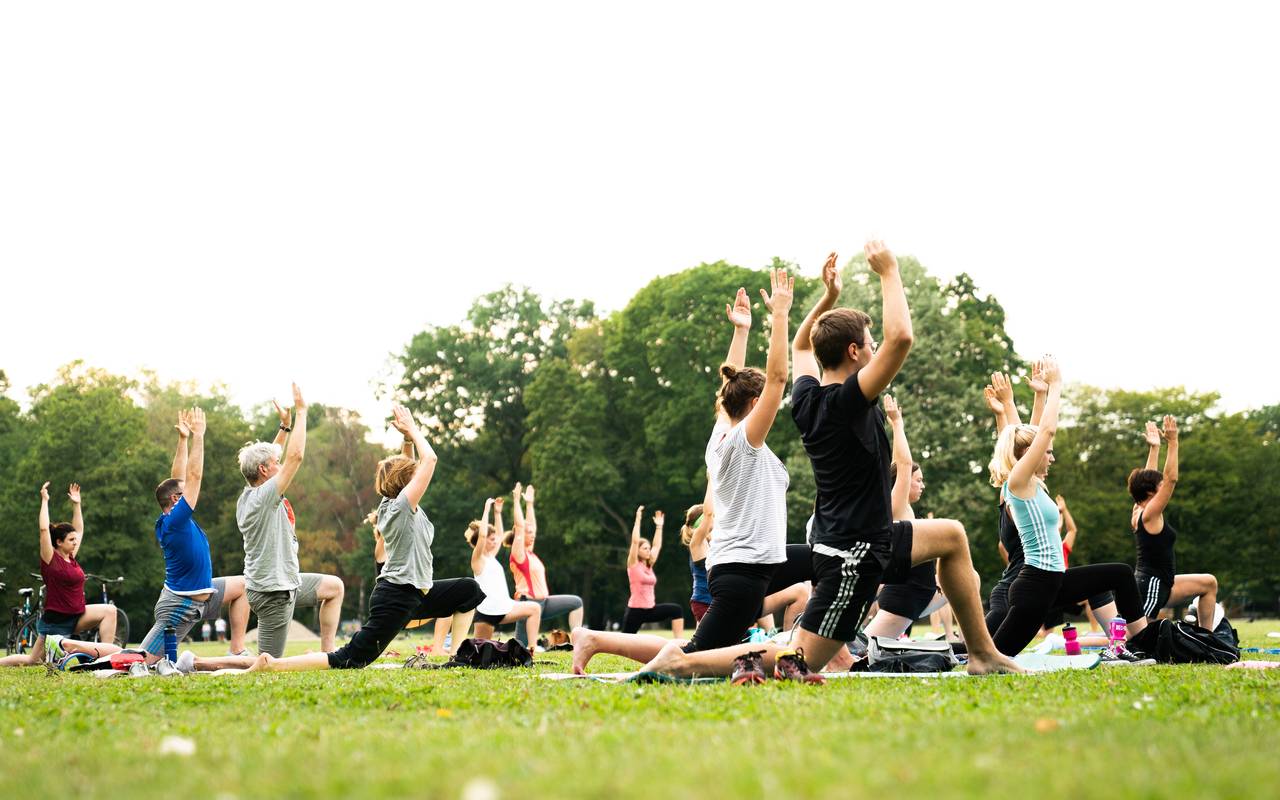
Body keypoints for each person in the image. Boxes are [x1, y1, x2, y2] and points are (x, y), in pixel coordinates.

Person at [642, 243, 1020, 681]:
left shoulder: (807, 397)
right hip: (852, 555)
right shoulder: (847, 401)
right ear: (856, 353)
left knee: (951, 536)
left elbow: (803, 344)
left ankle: (982, 653)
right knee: (801, 658)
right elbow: (902, 338)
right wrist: (888, 271)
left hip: (867, 536)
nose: (878, 349)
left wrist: (827, 299)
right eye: (870, 343)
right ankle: (683, 661)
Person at [573, 270, 802, 676]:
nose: (772, 405)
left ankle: (828, 644)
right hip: (742, 572)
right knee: (693, 656)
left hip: (757, 565)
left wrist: (742, 331)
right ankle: (595, 639)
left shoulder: (723, 432)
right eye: (763, 399)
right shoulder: (742, 442)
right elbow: (778, 380)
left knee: (836, 561)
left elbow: (730, 381)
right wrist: (780, 315)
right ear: (753, 404)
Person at [249, 405, 484, 672]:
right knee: (350, 659)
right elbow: (430, 460)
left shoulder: (395, 502)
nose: (418, 473)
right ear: (407, 483)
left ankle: (457, 656)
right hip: (397, 596)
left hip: (418, 592)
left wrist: (407, 439)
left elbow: (408, 465)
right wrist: (415, 430)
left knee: (468, 590)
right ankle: (273, 664)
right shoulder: (401, 507)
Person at [986, 356, 1151, 662]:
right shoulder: (1017, 483)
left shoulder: (1034, 484)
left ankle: (1143, 641)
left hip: (1054, 582)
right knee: (989, 658)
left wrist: (1038, 395)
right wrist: (1055, 385)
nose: (1050, 456)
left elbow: (1032, 434)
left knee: (1119, 574)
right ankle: (917, 653)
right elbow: (1042, 433)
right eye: (1046, 454)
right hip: (1032, 587)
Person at [236, 385, 342, 657]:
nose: (280, 465)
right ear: (263, 470)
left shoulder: (251, 493)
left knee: (334, 587)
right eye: (275, 464)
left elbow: (275, 455)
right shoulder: (263, 498)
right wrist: (302, 412)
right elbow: (295, 457)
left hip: (287, 582)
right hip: (274, 592)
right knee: (268, 663)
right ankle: (199, 662)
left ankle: (327, 654)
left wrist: (284, 427)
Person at [861, 395, 955, 641]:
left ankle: (968, 641)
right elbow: (903, 464)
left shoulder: (904, 508)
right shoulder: (896, 503)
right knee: (862, 652)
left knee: (969, 578)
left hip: (924, 594)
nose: (922, 485)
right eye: (919, 480)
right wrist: (897, 423)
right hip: (903, 600)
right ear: (902, 484)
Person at [0, 482, 118, 667]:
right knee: (34, 661)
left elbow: (79, 530)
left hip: (77, 616)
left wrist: (77, 504)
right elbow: (44, 529)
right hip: (56, 623)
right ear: (59, 542)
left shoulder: (71, 557)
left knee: (110, 611)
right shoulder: (50, 560)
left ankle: (105, 657)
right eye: (70, 540)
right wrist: (45, 500)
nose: (75, 542)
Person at [1130, 416, 1219, 624]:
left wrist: (1154, 449)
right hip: (1151, 586)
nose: (1164, 487)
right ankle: (1066, 641)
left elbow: (1148, 478)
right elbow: (1171, 478)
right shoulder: (1149, 514)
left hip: (1163, 584)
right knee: (1134, 639)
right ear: (1152, 492)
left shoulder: (1139, 509)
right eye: (1159, 486)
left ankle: (1207, 641)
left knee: (1209, 583)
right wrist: (1173, 442)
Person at [507, 485, 585, 646]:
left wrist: (529, 504)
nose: (533, 534)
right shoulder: (519, 554)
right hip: (528, 604)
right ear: (519, 536)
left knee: (576, 602)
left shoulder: (530, 554)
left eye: (533, 533)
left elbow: (531, 525)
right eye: (529, 533)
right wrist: (516, 501)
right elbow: (521, 526)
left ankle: (578, 641)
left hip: (545, 603)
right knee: (519, 648)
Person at [469, 488, 542, 645]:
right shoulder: (478, 559)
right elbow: (482, 535)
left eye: (495, 539)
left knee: (534, 609)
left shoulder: (491, 557)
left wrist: (497, 513)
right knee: (479, 655)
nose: (495, 541)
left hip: (505, 607)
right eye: (492, 539)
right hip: (486, 613)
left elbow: (500, 535)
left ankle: (532, 648)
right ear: (481, 542)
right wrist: (486, 510)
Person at [621, 507, 684, 636]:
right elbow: (634, 541)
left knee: (676, 610)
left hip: (651, 609)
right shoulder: (633, 564)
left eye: (648, 548)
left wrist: (659, 526)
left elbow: (657, 546)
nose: (648, 550)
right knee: (624, 643)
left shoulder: (649, 564)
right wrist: (638, 519)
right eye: (645, 548)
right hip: (636, 611)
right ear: (637, 551)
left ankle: (680, 643)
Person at [682, 501, 712, 624]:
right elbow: (709, 513)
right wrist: (712, 482)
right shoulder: (697, 542)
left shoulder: (709, 542)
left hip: (710, 601)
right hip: (705, 602)